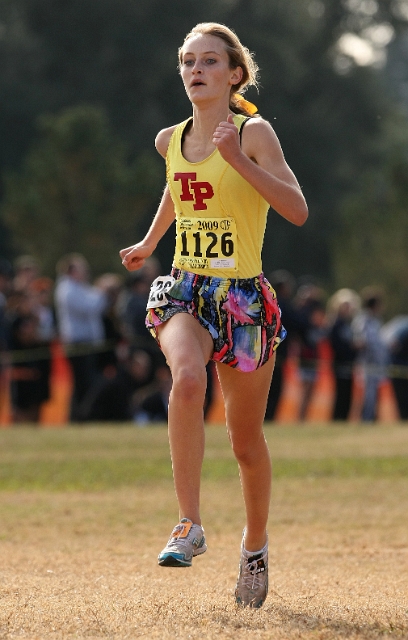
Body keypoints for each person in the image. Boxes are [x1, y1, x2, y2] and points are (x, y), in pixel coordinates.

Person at [120, 22, 308, 608]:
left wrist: (237, 158)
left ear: (234, 75)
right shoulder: (168, 139)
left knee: (246, 443)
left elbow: (296, 210)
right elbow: (180, 188)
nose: (195, 70)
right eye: (187, 61)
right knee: (187, 377)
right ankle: (189, 524)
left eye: (208, 61)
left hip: (244, 298)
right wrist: (151, 244)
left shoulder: (254, 133)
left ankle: (254, 544)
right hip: (186, 290)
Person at [54, 253, 108, 421]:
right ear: (71, 271)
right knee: (81, 383)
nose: (85, 272)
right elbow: (90, 307)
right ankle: (78, 417)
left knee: (85, 382)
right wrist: (102, 292)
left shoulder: (78, 288)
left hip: (86, 343)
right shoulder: (67, 289)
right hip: (78, 343)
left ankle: (82, 415)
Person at [327, 288, 360, 421]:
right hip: (340, 363)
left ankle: (344, 418)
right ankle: (338, 418)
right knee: (341, 393)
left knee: (347, 393)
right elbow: (337, 345)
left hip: (348, 363)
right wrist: (351, 348)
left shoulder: (348, 323)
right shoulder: (336, 323)